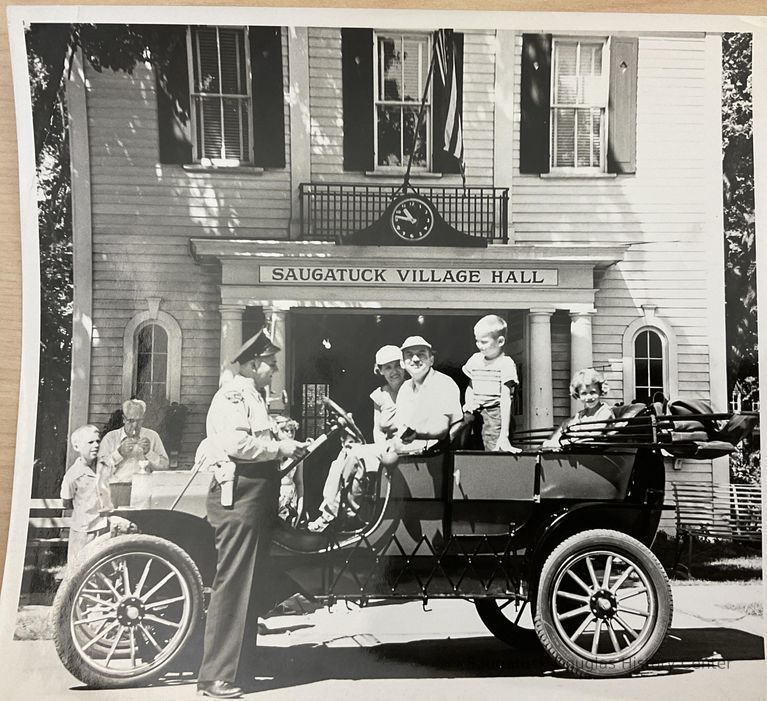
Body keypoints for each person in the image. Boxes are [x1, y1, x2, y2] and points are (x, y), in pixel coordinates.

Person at [196, 330, 310, 700]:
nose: (275, 367)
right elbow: (236, 444)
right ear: (250, 364)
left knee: (251, 583)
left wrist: (282, 443)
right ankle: (215, 677)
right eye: (269, 362)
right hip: (240, 497)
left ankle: (240, 667)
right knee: (233, 585)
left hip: (255, 498)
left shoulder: (252, 395)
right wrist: (281, 447)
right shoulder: (233, 394)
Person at [307, 344, 406, 533]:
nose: (394, 371)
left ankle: (347, 515)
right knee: (346, 454)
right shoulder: (379, 395)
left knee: (358, 454)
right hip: (385, 449)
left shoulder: (411, 390)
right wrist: (379, 449)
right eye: (388, 367)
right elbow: (378, 431)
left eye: (397, 365)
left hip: (403, 449)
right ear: (381, 371)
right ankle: (331, 512)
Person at [96, 398, 169, 512]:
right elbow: (100, 469)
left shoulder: (152, 436)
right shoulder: (111, 438)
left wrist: (149, 453)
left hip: (144, 490)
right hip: (117, 490)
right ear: (124, 419)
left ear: (143, 419)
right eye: (131, 420)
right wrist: (119, 453)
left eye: (139, 421)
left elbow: (165, 466)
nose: (135, 425)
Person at [462, 314, 521, 453]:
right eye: (477, 341)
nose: (479, 345)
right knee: (471, 447)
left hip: (495, 414)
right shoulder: (475, 359)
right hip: (476, 412)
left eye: (484, 342)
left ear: (500, 341)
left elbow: (506, 399)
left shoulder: (505, 363)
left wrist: (504, 434)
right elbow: (471, 386)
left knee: (493, 450)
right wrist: (469, 403)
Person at [395, 336, 463, 453]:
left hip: (434, 453)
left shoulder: (443, 383)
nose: (415, 359)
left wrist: (414, 434)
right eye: (409, 354)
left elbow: (440, 431)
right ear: (402, 363)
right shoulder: (405, 388)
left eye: (421, 354)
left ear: (431, 360)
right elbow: (401, 427)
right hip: (407, 450)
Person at [60, 425, 108, 566]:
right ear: (77, 446)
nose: (96, 445)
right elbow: (66, 503)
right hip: (83, 530)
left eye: (98, 441)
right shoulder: (73, 475)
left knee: (102, 567)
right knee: (79, 569)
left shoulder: (103, 465)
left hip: (103, 526)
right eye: (90, 442)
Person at [543, 368, 614, 448]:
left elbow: (592, 438)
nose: (588, 397)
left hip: (596, 454)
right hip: (578, 452)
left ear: (601, 392)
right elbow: (566, 430)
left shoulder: (605, 412)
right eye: (584, 393)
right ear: (578, 395)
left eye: (593, 392)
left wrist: (566, 441)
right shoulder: (581, 415)